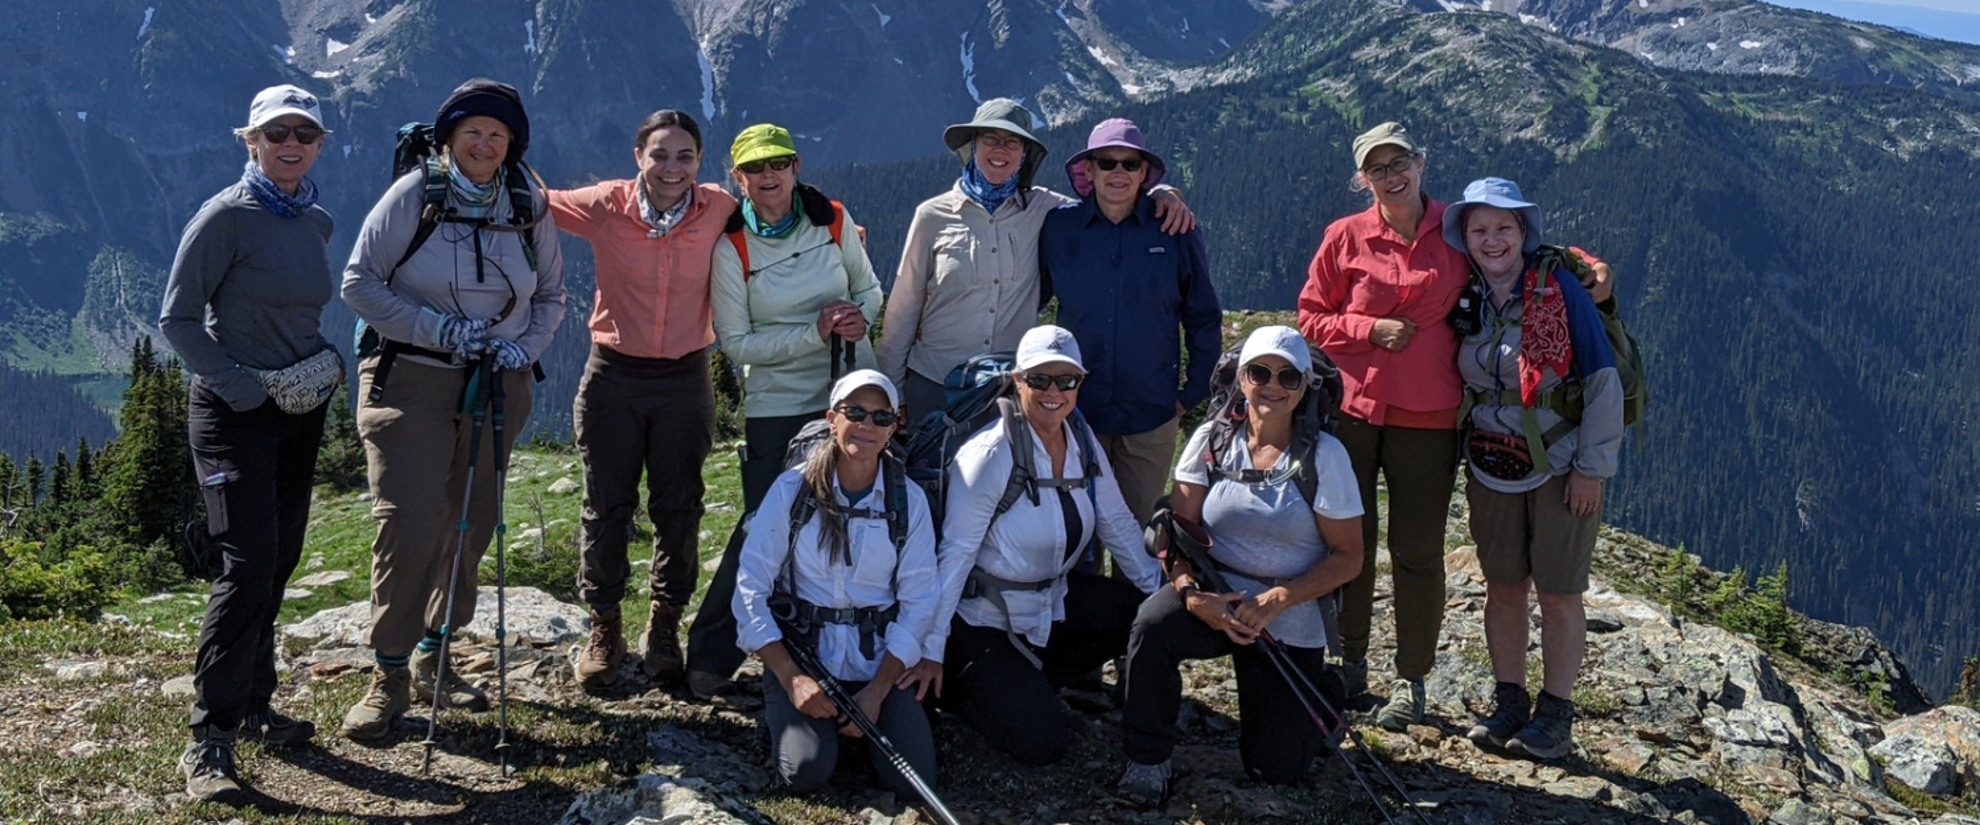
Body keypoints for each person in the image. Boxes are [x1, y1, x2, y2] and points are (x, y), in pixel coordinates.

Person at [1296, 122, 1611, 730]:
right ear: (1364, 179)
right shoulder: (1345, 236)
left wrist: (1595, 268)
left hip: (1430, 419)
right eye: (1377, 169)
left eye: (1399, 163)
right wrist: (1368, 331)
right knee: (1348, 546)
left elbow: (1526, 251)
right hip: (1354, 414)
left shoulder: (1458, 230)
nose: (1391, 177)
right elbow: (1310, 318)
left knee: (1416, 552)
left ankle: (1411, 679)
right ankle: (1350, 660)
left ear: (1420, 161)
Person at [339, 78, 566, 740]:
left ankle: (438, 649)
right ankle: (388, 671)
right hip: (410, 377)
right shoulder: (415, 195)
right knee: (409, 522)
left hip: (497, 381)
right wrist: (436, 330)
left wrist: (523, 348)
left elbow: (551, 292)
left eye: (498, 135)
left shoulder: (528, 201)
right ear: (448, 138)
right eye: (473, 132)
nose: (485, 144)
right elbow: (358, 282)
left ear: (512, 143)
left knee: (473, 518)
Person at [158, 83, 341, 804]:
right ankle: (209, 738)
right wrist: (240, 387)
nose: (290, 143)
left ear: (319, 144)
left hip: (299, 407)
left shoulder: (316, 222)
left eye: (304, 133)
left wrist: (316, 366)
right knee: (247, 562)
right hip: (234, 412)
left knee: (281, 555)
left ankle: (257, 703)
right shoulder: (224, 218)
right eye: (276, 133)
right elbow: (177, 320)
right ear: (251, 142)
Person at [1114, 326, 1365, 805]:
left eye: (1288, 377)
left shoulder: (1326, 457)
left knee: (1276, 770)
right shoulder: (1212, 441)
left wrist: (1278, 599)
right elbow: (1177, 532)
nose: (1272, 385)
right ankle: (1147, 760)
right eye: (1259, 372)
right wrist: (1191, 594)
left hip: (1286, 614)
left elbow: (1348, 557)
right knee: (1151, 625)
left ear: (1305, 387)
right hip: (1216, 598)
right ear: (1241, 380)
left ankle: (1323, 697)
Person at [899, 325, 1163, 765]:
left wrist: (1164, 597)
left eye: (1066, 380)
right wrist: (930, 650)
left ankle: (1023, 680)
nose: (1053, 391)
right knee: (1042, 744)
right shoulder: (989, 453)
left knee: (1143, 617)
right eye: (1039, 379)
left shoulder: (1080, 437)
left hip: (1051, 602)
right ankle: (963, 688)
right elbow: (956, 555)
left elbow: (1115, 521)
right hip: (981, 619)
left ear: (1081, 382)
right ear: (1018, 380)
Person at [689, 123, 884, 704]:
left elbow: (871, 290)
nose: (768, 177)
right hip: (779, 404)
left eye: (779, 164)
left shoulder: (832, 219)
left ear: (796, 168)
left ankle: (860, 653)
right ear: (738, 178)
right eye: (755, 169)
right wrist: (814, 332)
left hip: (851, 394)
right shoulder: (732, 247)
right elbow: (737, 345)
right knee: (763, 526)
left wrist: (860, 319)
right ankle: (709, 659)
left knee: (867, 518)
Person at [546, 110, 738, 692]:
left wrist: (840, 233)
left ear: (699, 163)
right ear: (639, 157)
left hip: (685, 377)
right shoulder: (606, 205)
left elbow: (790, 215)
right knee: (607, 507)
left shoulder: (721, 208)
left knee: (679, 508)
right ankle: (604, 627)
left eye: (684, 156)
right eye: (660, 154)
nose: (671, 167)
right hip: (613, 376)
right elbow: (536, 200)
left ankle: (663, 626)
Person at [1443, 178, 1622, 759]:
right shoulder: (1462, 292)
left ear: (1524, 232)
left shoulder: (1562, 292)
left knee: (1560, 592)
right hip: (1491, 463)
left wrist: (1591, 470)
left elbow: (1600, 382)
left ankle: (1556, 715)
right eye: (1480, 229)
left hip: (1561, 465)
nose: (1491, 240)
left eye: (1503, 228)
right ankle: (1509, 701)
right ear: (1464, 237)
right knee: (1503, 587)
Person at [877, 99, 1195, 418]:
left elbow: (1111, 197)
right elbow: (904, 306)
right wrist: (892, 390)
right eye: (990, 138)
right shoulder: (932, 216)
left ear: (1025, 154)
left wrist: (1161, 193)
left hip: (1009, 388)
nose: (1000, 150)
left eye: (1012, 142)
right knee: (929, 470)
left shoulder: (1047, 209)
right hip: (934, 383)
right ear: (973, 145)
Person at [732, 370, 940, 793]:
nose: (866, 425)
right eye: (855, 412)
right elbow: (750, 586)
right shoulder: (792, 490)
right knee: (804, 773)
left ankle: (847, 727)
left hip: (879, 662)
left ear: (894, 428)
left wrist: (878, 691)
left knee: (914, 782)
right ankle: (798, 718)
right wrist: (792, 678)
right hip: (805, 656)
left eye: (881, 418)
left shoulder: (909, 502)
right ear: (832, 418)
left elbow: (920, 601)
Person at [1039, 118, 1222, 548]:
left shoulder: (1176, 230)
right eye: (1107, 162)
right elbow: (1025, 300)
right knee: (1076, 535)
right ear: (1088, 171)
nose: (1118, 172)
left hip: (1152, 413)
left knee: (1141, 539)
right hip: (1076, 412)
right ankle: (1082, 618)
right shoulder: (1058, 228)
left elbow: (1203, 315)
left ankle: (1135, 617)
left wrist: (1189, 395)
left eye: (1130, 163)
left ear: (1144, 173)